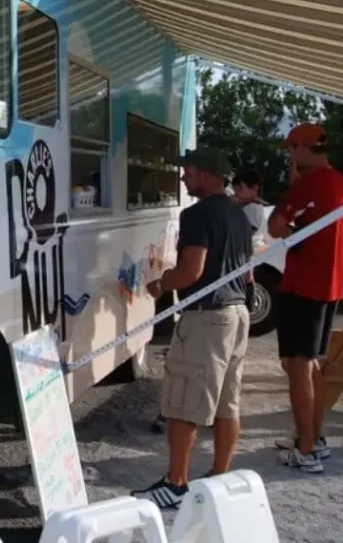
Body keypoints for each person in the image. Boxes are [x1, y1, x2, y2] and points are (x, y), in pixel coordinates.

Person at [132, 147, 252, 510]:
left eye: (189, 171)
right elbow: (245, 271)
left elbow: (192, 272)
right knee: (228, 403)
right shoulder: (239, 216)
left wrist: (161, 284)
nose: (184, 177)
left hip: (207, 318)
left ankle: (176, 484)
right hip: (237, 313)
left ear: (205, 174)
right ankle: (218, 477)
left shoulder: (197, 215)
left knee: (183, 402)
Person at [267, 122, 343, 474]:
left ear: (302, 149)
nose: (290, 156)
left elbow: (274, 225)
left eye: (291, 150)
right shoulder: (341, 183)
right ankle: (314, 437)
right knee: (312, 363)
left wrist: (293, 196)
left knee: (297, 365)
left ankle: (305, 449)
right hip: (330, 286)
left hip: (303, 286)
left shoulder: (310, 185)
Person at [232, 169, 268, 253]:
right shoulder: (258, 207)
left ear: (254, 188)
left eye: (241, 189)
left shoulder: (252, 208)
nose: (236, 193)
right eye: (235, 190)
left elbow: (244, 235)